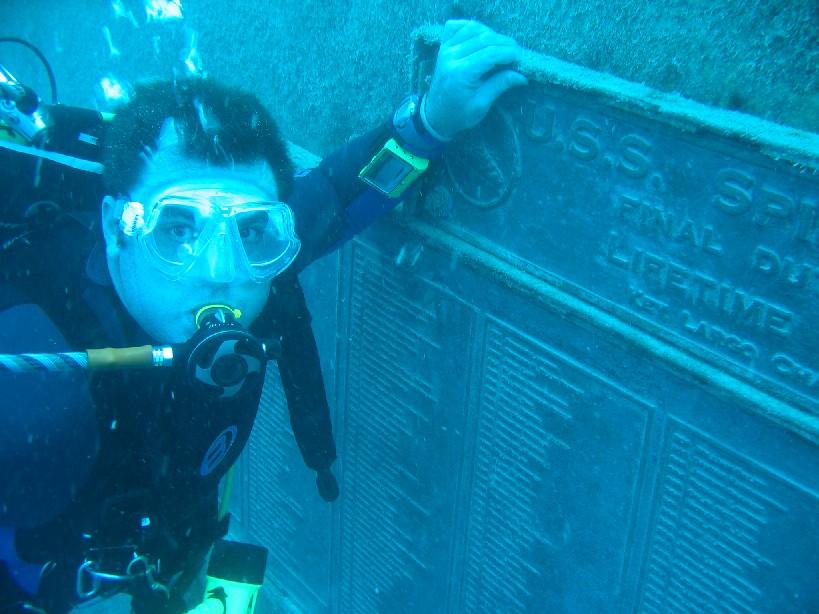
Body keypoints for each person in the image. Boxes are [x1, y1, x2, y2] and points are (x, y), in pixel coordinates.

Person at [0, 20, 527, 613]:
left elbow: (337, 190)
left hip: (175, 564)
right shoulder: (31, 379)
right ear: (113, 226)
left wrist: (431, 121)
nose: (221, 269)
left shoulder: (256, 261)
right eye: (177, 226)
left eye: (251, 228)